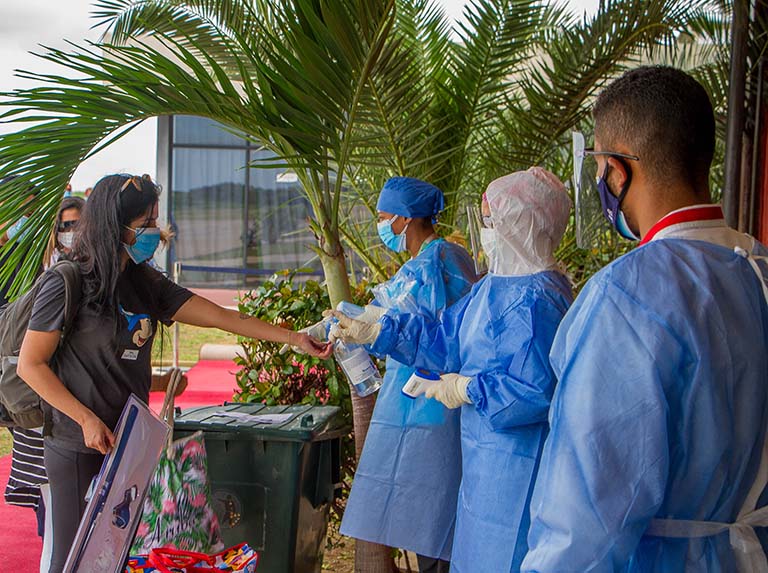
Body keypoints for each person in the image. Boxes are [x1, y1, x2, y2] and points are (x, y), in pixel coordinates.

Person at [15, 173, 331, 573]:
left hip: (127, 445)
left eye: (154, 220)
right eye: (146, 222)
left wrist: (294, 338)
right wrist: (86, 419)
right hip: (78, 444)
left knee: (117, 559)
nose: (156, 231)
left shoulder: (144, 282)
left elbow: (220, 317)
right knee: (74, 561)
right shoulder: (67, 281)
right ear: (117, 225)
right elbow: (31, 364)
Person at [522, 66, 768, 572]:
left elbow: (583, 524)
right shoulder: (759, 267)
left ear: (617, 170)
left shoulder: (624, 300)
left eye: (599, 167)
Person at [329, 168, 573, 572]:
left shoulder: (538, 299)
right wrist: (379, 330)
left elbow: (536, 392)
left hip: (518, 465)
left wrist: (469, 390)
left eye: (493, 220)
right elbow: (445, 335)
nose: (488, 231)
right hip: (483, 464)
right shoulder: (495, 287)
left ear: (520, 222)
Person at [336, 176, 476, 573]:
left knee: (434, 513)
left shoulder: (440, 262)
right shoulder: (424, 265)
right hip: (410, 402)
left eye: (383, 218)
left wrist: (376, 325)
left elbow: (438, 336)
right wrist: (354, 319)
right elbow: (397, 315)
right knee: (419, 516)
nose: (381, 227)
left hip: (433, 405)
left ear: (406, 218)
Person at [4, 196, 87, 538]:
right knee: (51, 503)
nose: (72, 232)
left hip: (70, 397)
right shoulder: (27, 268)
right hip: (37, 398)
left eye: (78, 224)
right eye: (65, 226)